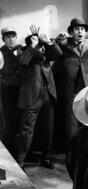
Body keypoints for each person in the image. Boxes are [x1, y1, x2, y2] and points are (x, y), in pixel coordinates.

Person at [15, 26, 62, 169]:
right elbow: (22, 61)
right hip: (31, 98)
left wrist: (48, 42)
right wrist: (33, 45)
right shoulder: (24, 52)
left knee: (48, 129)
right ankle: (20, 161)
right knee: (26, 130)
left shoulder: (46, 55)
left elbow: (58, 53)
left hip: (48, 96)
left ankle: (46, 158)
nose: (42, 49)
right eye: (38, 45)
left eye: (42, 46)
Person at [0, 27, 23, 156]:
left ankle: (21, 152)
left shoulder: (21, 49)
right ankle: (10, 152)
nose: (11, 39)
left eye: (13, 36)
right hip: (7, 90)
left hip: (22, 90)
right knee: (9, 122)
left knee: (21, 122)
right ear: (4, 39)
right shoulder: (1, 52)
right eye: (8, 37)